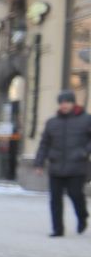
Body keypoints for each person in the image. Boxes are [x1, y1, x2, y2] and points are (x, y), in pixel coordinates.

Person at [35, 89, 91, 236]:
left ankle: (82, 216)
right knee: (55, 200)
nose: (64, 105)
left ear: (73, 103)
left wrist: (84, 152)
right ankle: (57, 229)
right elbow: (44, 144)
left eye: (67, 102)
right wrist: (39, 163)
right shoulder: (52, 123)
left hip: (77, 166)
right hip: (56, 166)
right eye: (61, 102)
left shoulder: (86, 119)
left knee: (75, 195)